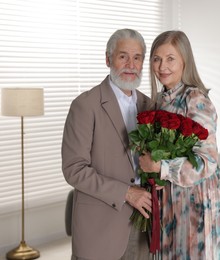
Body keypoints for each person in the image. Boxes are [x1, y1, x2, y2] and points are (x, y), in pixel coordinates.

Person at [62, 28, 153, 260]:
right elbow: (74, 170)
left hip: (143, 228)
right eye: (123, 56)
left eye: (137, 57)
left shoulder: (150, 105)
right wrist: (126, 193)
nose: (130, 64)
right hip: (99, 231)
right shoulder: (85, 105)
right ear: (108, 59)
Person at [139, 30, 220, 259]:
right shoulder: (158, 101)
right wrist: (156, 177)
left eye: (170, 59)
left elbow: (207, 162)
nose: (162, 66)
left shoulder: (196, 100)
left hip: (197, 202)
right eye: (157, 59)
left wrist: (161, 168)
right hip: (169, 201)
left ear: (184, 61)